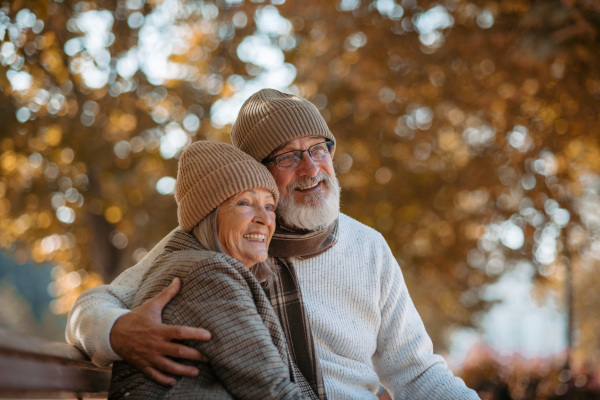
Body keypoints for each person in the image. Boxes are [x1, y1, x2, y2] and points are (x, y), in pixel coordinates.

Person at [67, 89, 479, 399]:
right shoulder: (212, 247)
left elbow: (417, 372)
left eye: (320, 149)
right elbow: (89, 307)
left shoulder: (368, 249)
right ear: (255, 173)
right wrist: (118, 331)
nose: (311, 168)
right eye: (288, 156)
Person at [108, 140, 314, 399]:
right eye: (244, 203)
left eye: (270, 206)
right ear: (209, 213)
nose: (264, 218)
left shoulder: (192, 266)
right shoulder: (206, 273)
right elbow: (272, 392)